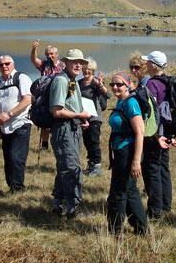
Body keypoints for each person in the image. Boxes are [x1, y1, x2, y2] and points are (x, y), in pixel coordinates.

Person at [49, 48, 91, 219]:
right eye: (75, 62)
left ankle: (57, 204)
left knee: (65, 166)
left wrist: (81, 119)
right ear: (65, 63)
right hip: (63, 129)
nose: (78, 65)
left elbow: (72, 105)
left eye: (80, 63)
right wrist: (79, 115)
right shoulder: (61, 80)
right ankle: (73, 207)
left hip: (72, 128)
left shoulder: (72, 80)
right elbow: (57, 111)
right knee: (73, 167)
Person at [107, 72, 149, 235]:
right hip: (120, 151)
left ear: (128, 85)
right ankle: (142, 228)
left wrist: (136, 161)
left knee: (118, 192)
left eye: (119, 84)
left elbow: (140, 132)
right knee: (130, 190)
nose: (115, 87)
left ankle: (114, 231)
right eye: (113, 84)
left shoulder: (130, 104)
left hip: (128, 152)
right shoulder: (121, 102)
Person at [141, 50, 176, 220]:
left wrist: (155, 135)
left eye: (148, 62)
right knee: (163, 167)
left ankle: (155, 209)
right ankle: (166, 204)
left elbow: (151, 112)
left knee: (152, 169)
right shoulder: (170, 82)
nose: (146, 64)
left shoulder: (151, 85)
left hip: (156, 133)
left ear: (154, 66)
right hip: (168, 131)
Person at [0, 55, 33, 193]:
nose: (4, 67)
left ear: (13, 64)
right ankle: (11, 187)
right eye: (1, 65)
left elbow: (27, 100)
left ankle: (18, 189)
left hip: (21, 123)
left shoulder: (21, 78)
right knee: (8, 158)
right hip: (4, 127)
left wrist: (9, 114)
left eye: (7, 64)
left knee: (16, 157)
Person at [30, 40, 65, 150]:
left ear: (56, 54)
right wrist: (34, 49)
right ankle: (45, 145)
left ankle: (57, 143)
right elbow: (34, 60)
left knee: (57, 120)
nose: (49, 56)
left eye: (51, 54)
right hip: (44, 97)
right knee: (44, 121)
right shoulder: (44, 64)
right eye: (47, 54)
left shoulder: (63, 66)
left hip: (58, 96)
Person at [78, 57, 109, 178]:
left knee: (94, 142)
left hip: (95, 117)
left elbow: (107, 94)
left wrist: (100, 85)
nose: (86, 71)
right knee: (86, 142)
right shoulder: (79, 83)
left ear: (93, 70)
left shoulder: (96, 82)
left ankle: (97, 167)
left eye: (89, 69)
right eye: (85, 69)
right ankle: (90, 164)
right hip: (83, 117)